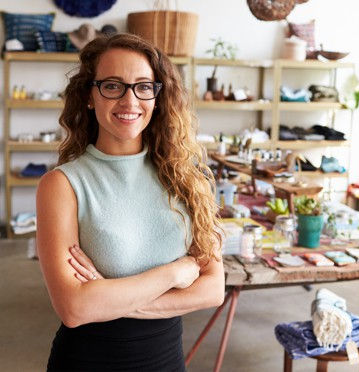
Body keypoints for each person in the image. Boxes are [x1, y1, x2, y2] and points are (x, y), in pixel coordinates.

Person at [36, 33, 224, 371]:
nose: (130, 100)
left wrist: (108, 297)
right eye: (112, 86)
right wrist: (174, 272)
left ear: (157, 96)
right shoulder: (62, 185)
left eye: (143, 86)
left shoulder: (186, 177)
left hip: (167, 362)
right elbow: (74, 308)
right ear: (90, 96)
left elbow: (212, 290)